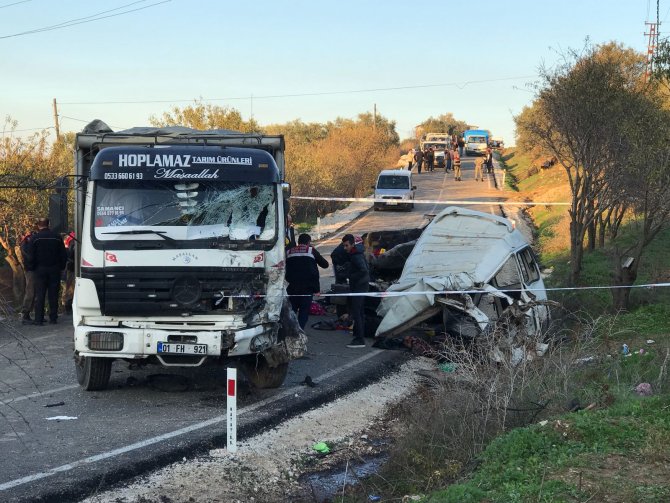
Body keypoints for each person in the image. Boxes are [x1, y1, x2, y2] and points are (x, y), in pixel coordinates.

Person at [285, 233, 329, 329]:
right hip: (307, 288)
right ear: (309, 242)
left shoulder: (289, 252)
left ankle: (290, 331)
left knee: (291, 311)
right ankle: (300, 331)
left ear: (298, 242)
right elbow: (325, 265)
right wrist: (317, 289)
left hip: (293, 287)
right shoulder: (311, 250)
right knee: (304, 312)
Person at [28, 218, 67, 325]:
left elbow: (30, 255)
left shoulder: (35, 238)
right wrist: (61, 267)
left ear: (38, 226)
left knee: (40, 295)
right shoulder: (57, 237)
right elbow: (63, 254)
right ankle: (53, 318)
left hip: (39, 270)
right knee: (53, 294)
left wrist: (31, 268)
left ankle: (38, 319)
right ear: (49, 224)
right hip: (54, 269)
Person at [341, 234, 370, 348]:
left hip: (359, 286)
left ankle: (359, 339)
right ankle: (358, 335)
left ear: (352, 244)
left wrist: (350, 276)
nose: (345, 248)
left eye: (346, 245)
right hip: (361, 286)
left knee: (357, 312)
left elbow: (363, 270)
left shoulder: (355, 256)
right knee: (360, 312)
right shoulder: (356, 254)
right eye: (344, 246)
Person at [19, 223, 37, 324]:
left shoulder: (27, 240)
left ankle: (28, 314)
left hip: (31, 268)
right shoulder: (27, 241)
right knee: (30, 291)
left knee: (33, 292)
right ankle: (25, 314)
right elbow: (29, 256)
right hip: (31, 269)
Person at [61, 231, 76, 314]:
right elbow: (70, 253)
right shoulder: (74, 239)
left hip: (68, 266)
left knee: (67, 286)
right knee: (70, 287)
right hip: (72, 266)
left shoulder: (69, 238)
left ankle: (66, 305)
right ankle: (68, 306)